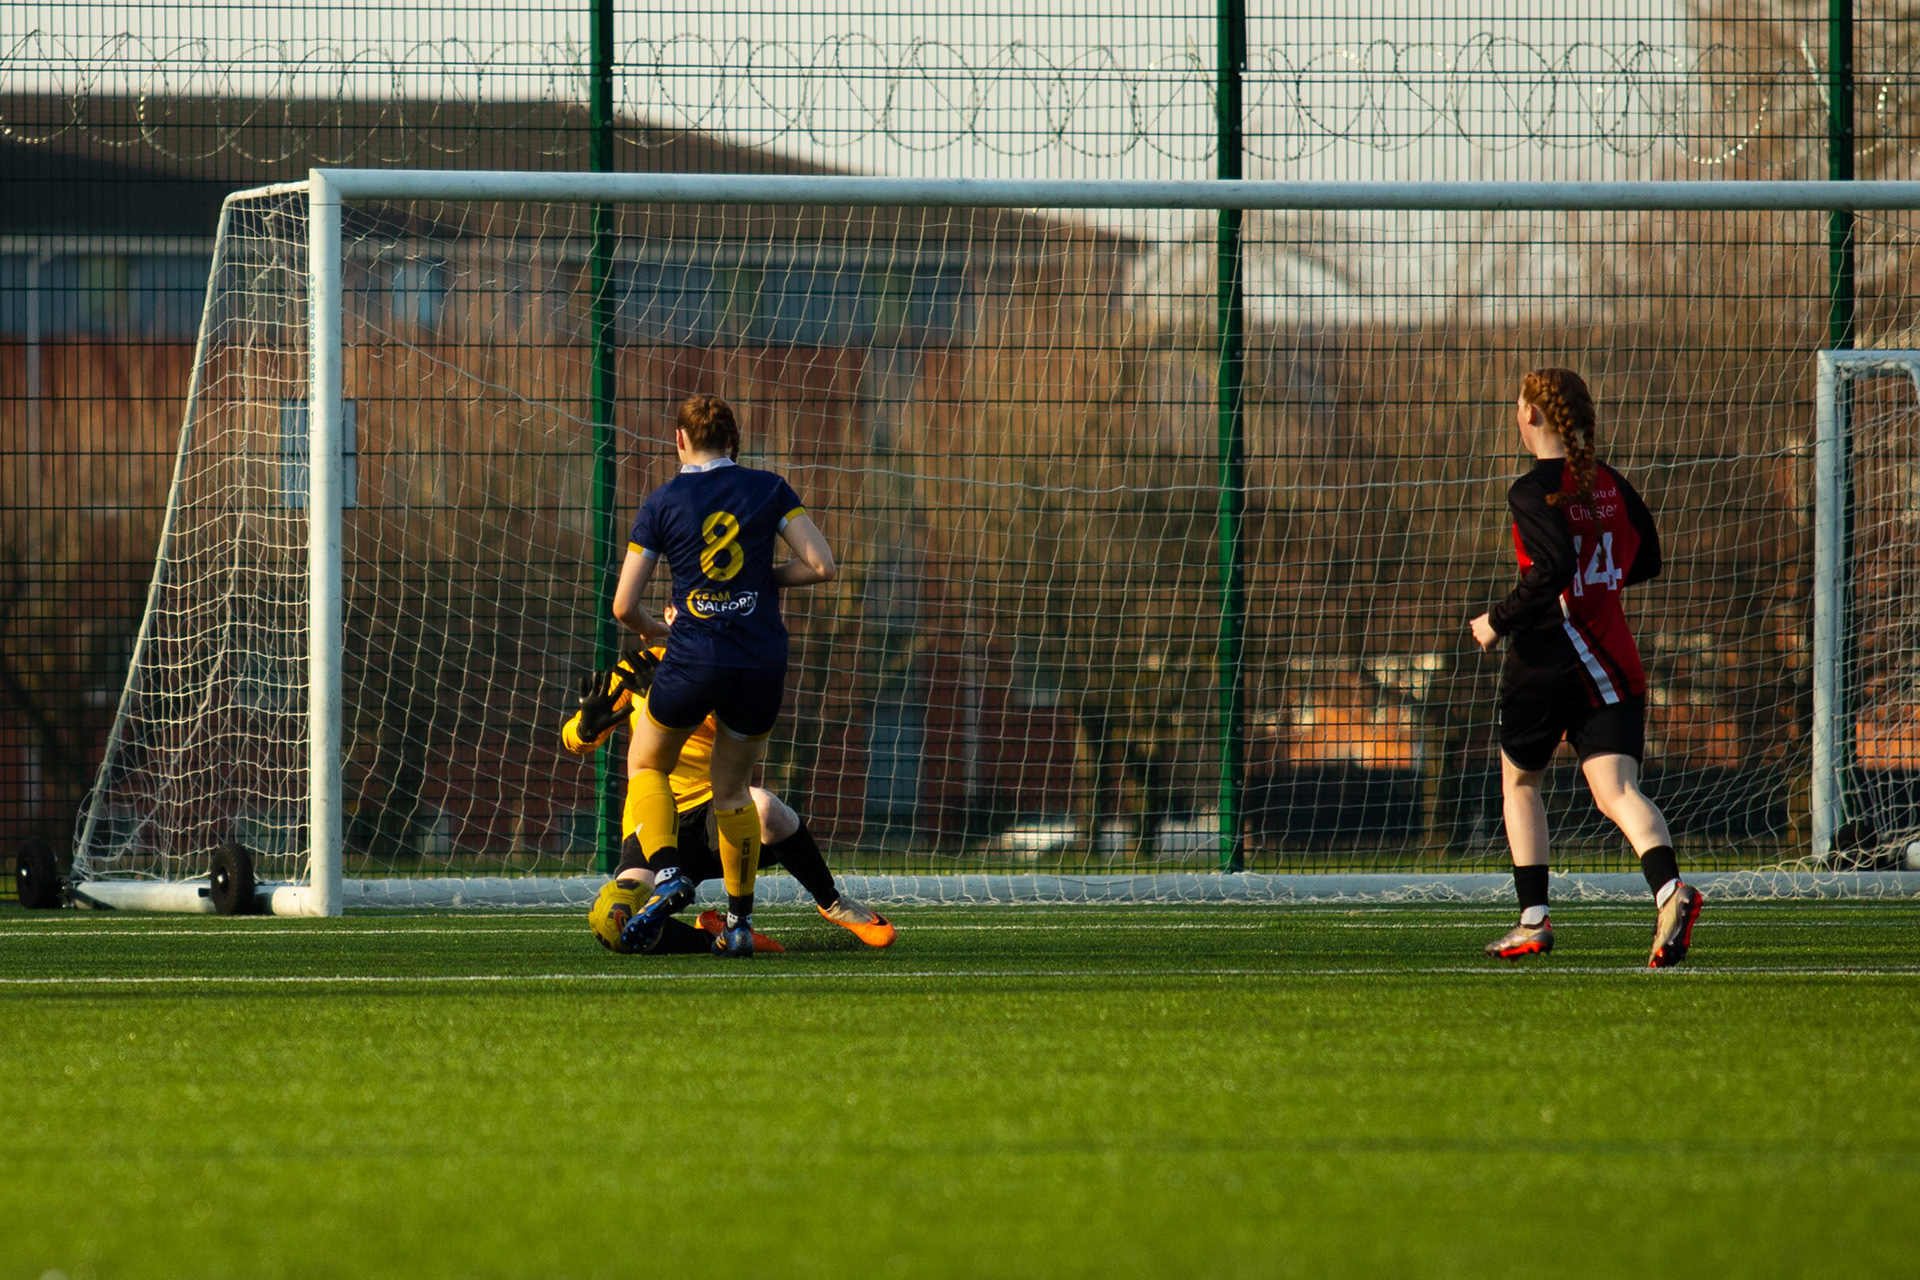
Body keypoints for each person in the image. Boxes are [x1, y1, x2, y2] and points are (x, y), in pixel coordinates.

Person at [1469, 368, 1703, 968]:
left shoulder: (1530, 490)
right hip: (1613, 659)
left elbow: (1548, 572)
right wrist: (1600, 587)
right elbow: (1646, 559)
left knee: (1520, 782)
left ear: (1531, 416)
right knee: (1618, 791)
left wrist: (1496, 620)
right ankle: (1671, 890)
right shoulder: (1610, 483)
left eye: (1520, 405)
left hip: (1546, 661)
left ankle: (1533, 920)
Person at [605, 393, 836, 957]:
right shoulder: (771, 489)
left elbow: (623, 607)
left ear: (679, 440)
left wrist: (659, 631)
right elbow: (823, 566)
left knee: (644, 762)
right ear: (734, 441)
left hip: (696, 657)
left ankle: (667, 875)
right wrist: (757, 584)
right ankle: (737, 920)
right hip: (761, 662)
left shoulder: (662, 502)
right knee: (733, 789)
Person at [565, 634, 896, 954]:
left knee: (764, 807)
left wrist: (672, 703)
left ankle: (832, 902)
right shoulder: (639, 667)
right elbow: (575, 740)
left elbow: (736, 728)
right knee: (615, 916)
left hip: (716, 814)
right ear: (668, 616)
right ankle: (716, 939)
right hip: (652, 826)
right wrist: (584, 729)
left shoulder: (729, 669)